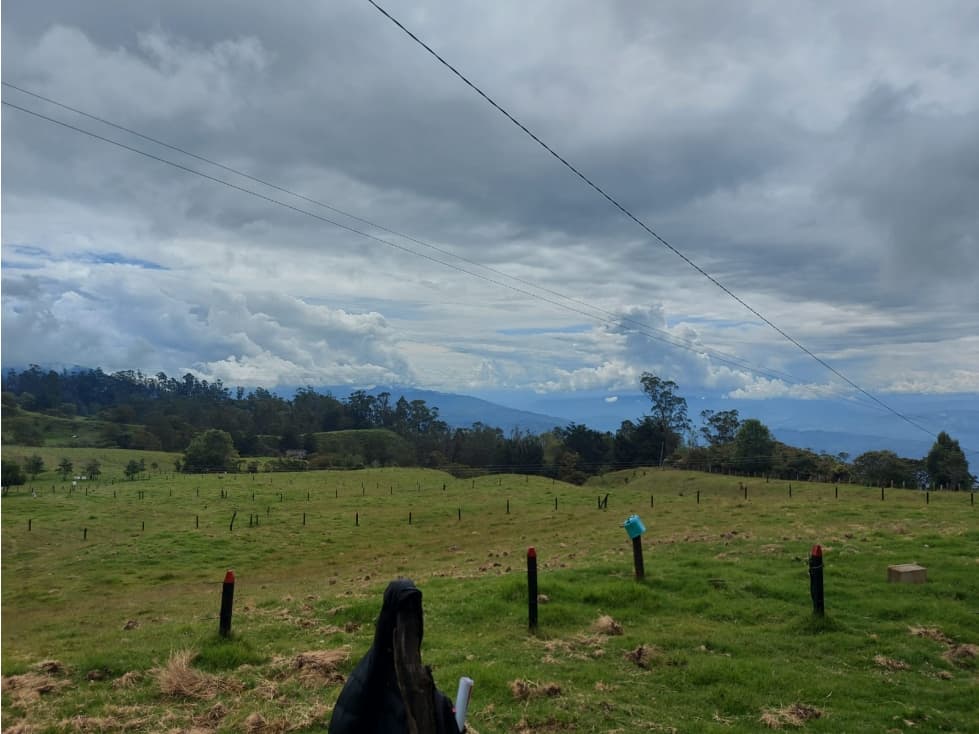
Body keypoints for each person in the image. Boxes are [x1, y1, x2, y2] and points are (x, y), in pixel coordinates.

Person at [330, 579, 461, 733]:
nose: (408, 627)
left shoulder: (428, 690)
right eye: (402, 616)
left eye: (413, 615)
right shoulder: (366, 681)